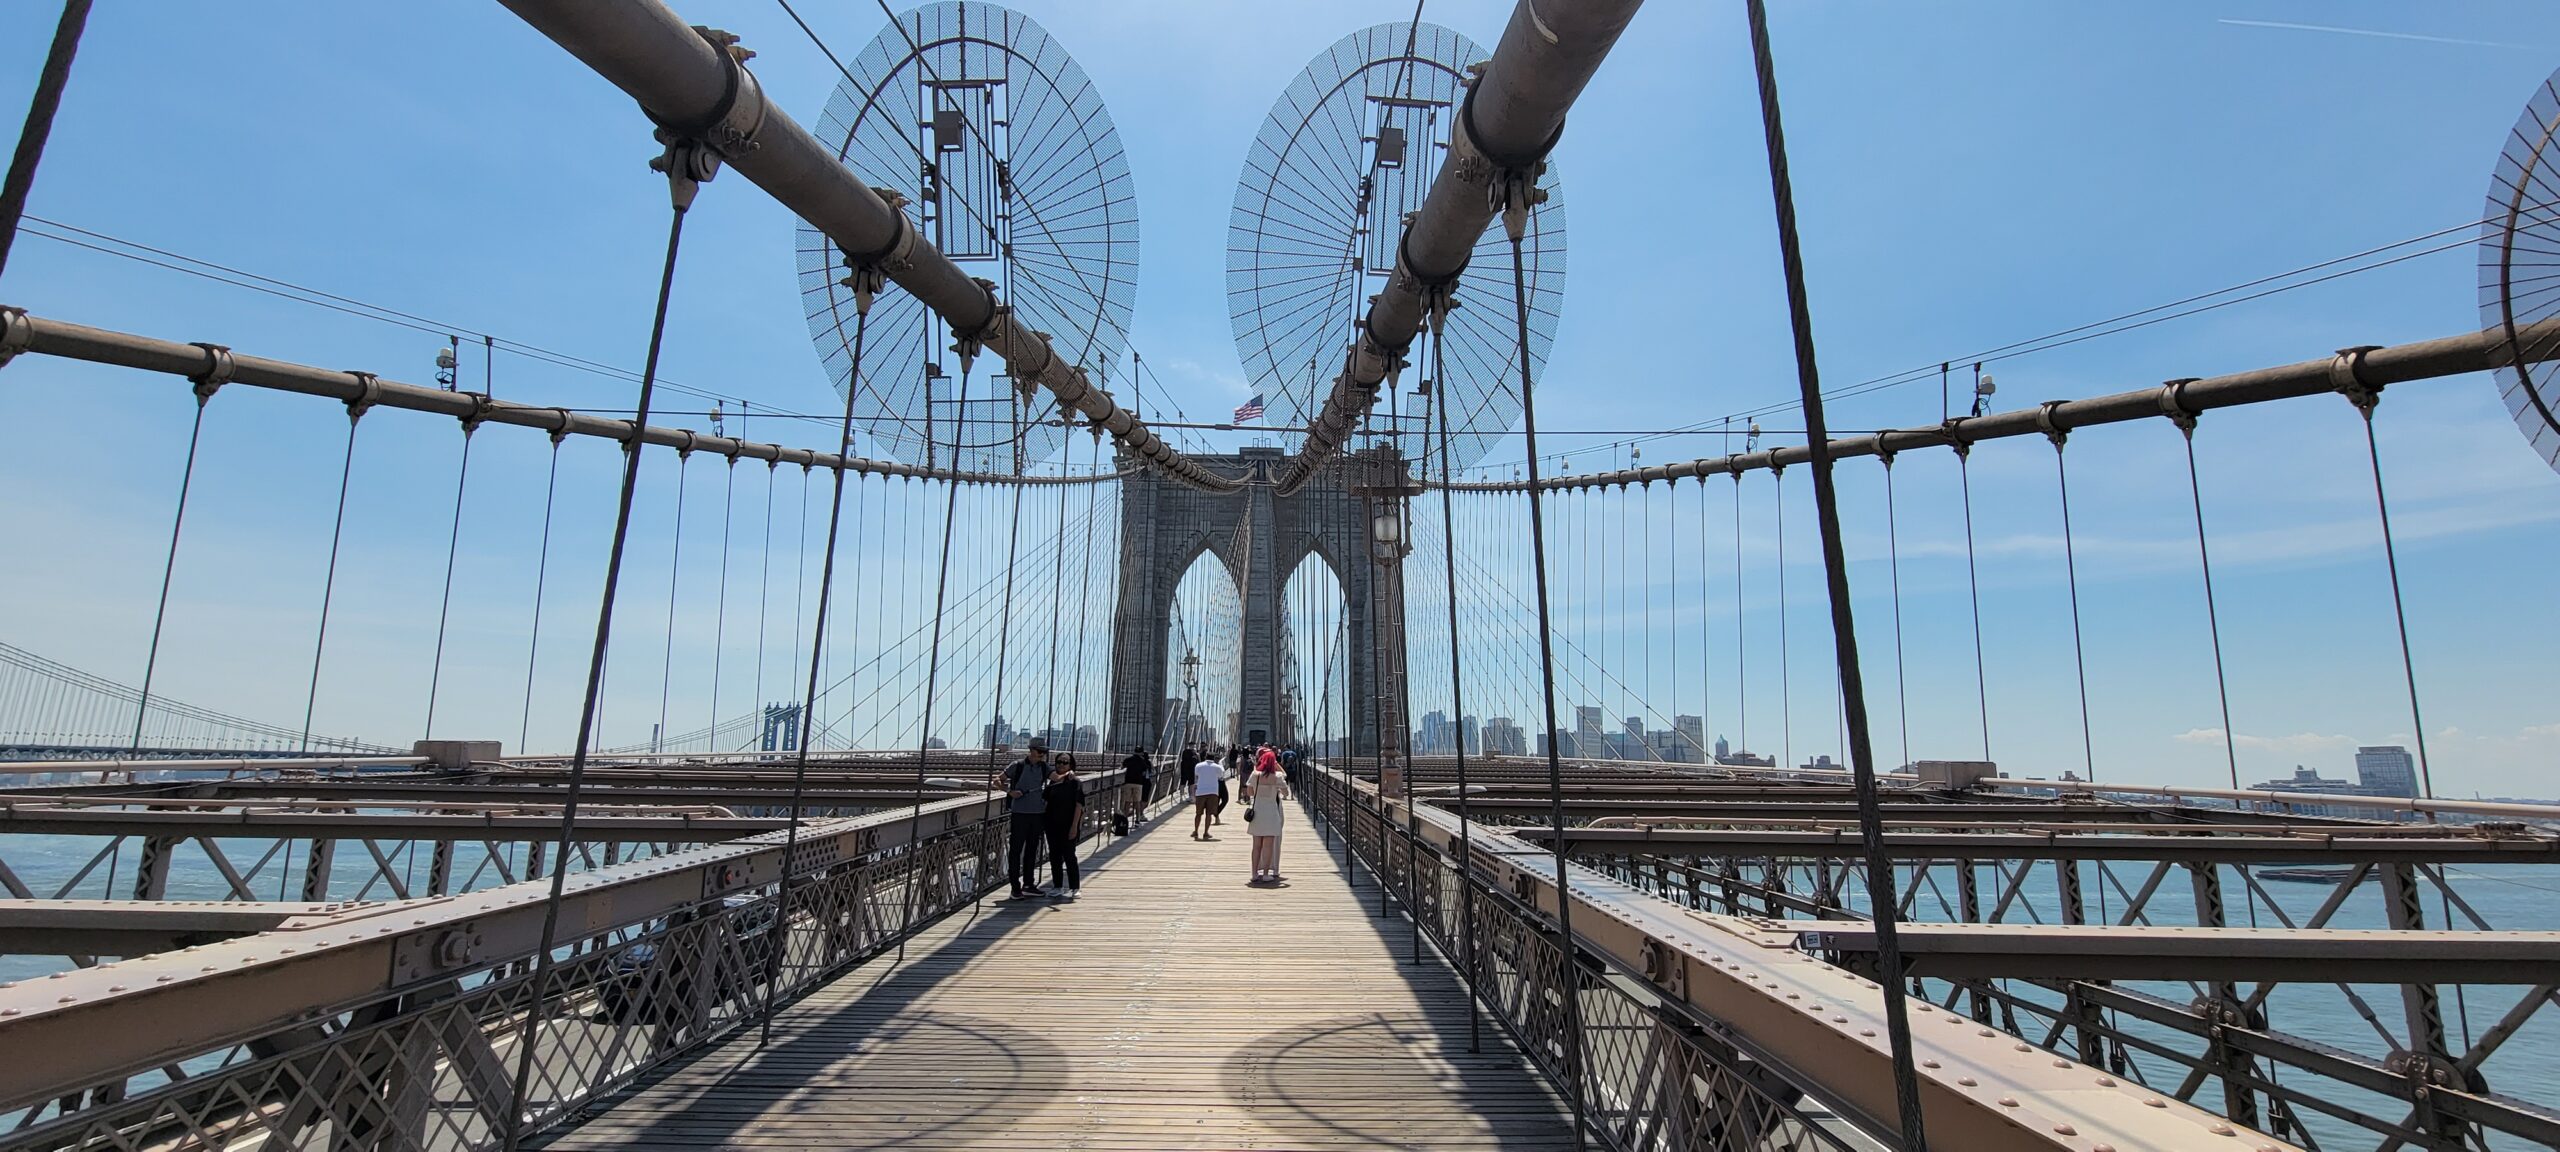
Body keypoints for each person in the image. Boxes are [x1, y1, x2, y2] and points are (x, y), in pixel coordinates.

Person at [997, 738, 1051, 898]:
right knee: (1016, 850)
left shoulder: (1044, 767)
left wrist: (1069, 773)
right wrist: (1009, 792)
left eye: (1045, 752)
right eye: (1040, 751)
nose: (1043, 755)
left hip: (1037, 814)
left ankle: (1029, 884)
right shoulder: (1017, 766)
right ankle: (1015, 888)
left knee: (1032, 849)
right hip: (1019, 813)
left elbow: (1056, 777)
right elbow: (997, 780)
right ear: (1032, 750)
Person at [1043, 752, 1086, 899]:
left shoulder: (1076, 782)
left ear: (1071, 765)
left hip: (1068, 824)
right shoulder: (1053, 782)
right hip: (1052, 824)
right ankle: (1057, 886)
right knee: (1054, 856)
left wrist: (1074, 826)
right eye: (1058, 762)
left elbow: (1079, 805)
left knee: (1069, 856)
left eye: (1064, 762)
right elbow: (1044, 801)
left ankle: (1075, 887)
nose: (1061, 765)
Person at [1244, 749, 1289, 883]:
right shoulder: (1278, 776)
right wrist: (1277, 788)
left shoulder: (1255, 775)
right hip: (1271, 813)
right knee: (1268, 845)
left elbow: (1250, 793)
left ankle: (1254, 873)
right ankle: (1265, 874)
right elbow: (1286, 793)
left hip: (1258, 813)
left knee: (1256, 845)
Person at [1190, 748, 1223, 840]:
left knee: (1198, 814)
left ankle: (1196, 831)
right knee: (1209, 814)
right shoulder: (1218, 767)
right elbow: (1221, 776)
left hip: (1200, 792)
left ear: (1205, 757)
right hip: (1213, 792)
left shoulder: (1198, 765)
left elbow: (1196, 775)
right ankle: (1205, 833)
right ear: (1214, 758)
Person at [1119, 744, 1152, 823]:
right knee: (1137, 802)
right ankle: (1137, 819)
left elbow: (1122, 767)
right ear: (1141, 753)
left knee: (1127, 802)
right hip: (1138, 783)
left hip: (1128, 782)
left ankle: (1125, 819)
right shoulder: (1142, 761)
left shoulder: (1128, 759)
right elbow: (1145, 772)